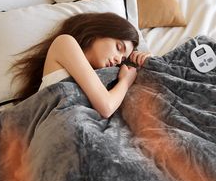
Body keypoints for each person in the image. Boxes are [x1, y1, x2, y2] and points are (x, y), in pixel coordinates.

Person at [11, 12, 150, 118]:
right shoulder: (65, 43)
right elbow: (107, 107)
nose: (118, 60)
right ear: (100, 31)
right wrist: (125, 81)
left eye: (123, 58)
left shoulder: (103, 76)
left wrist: (149, 63)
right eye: (119, 47)